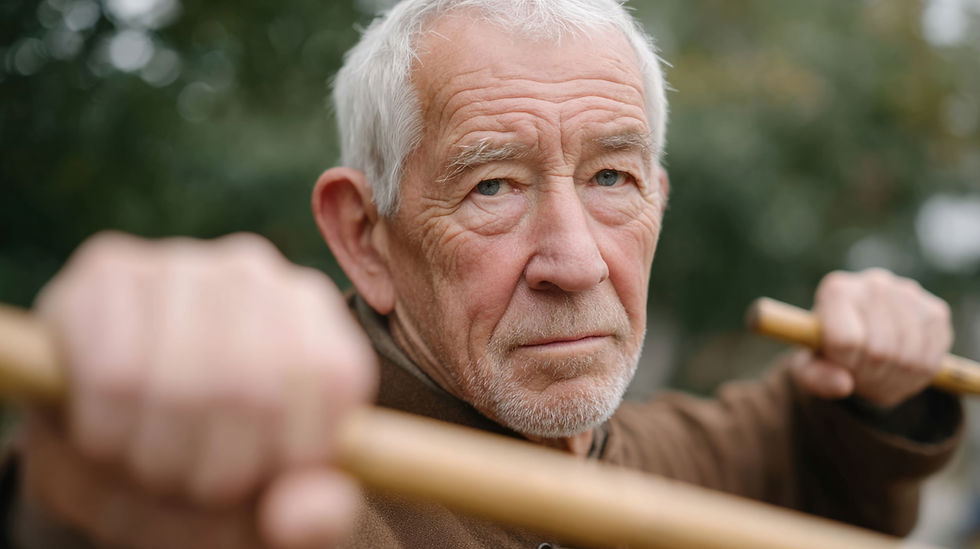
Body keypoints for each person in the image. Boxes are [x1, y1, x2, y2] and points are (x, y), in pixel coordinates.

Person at [2, 0, 963, 548]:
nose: (577, 260)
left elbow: (796, 446)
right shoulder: (295, 488)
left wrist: (878, 378)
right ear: (364, 237)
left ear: (659, 199)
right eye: (495, 185)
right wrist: (77, 491)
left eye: (613, 178)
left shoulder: (665, 462)